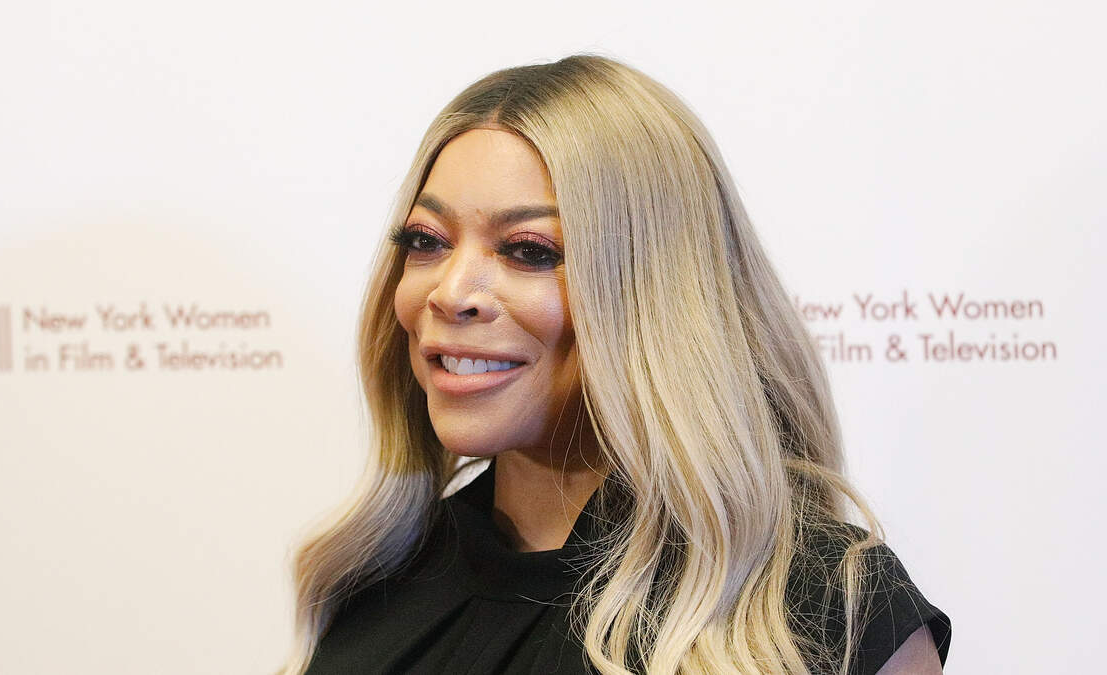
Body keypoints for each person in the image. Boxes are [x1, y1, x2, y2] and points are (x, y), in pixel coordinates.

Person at [280, 53, 952, 674]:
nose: (451, 292)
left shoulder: (822, 607)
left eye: (529, 250)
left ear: (658, 292)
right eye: (426, 241)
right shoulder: (374, 586)